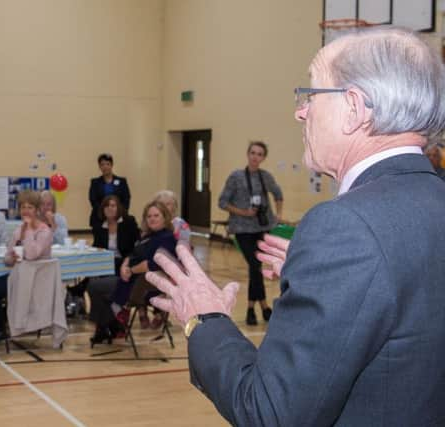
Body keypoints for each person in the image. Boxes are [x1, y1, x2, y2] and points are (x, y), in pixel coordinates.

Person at [147, 27, 445, 426]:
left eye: (312, 95)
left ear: (354, 108)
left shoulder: (346, 226)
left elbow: (271, 412)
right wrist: (333, 279)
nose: (300, 112)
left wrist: (206, 319)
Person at [0, 190, 53, 346]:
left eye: (30, 207)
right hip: (20, 276)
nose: (26, 210)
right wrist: (11, 257)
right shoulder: (18, 230)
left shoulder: (44, 231)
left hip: (37, 280)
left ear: (37, 210)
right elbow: (7, 259)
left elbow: (31, 255)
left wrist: (28, 231)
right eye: (23, 207)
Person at [218, 141, 283, 325]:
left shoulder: (266, 177)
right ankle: (259, 307)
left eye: (260, 154)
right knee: (255, 265)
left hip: (262, 228)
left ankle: (255, 309)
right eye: (253, 153)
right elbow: (222, 202)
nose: (255, 157)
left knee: (255, 268)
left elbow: (278, 194)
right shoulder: (236, 177)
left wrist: (278, 215)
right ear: (248, 154)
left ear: (263, 158)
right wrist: (243, 212)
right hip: (242, 229)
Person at [94, 201, 176, 341]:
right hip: (131, 278)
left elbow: (152, 265)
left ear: (165, 218)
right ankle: (110, 324)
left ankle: (111, 323)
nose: (152, 218)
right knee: (94, 285)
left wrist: (130, 270)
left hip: (144, 286)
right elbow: (133, 253)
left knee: (97, 287)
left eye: (156, 215)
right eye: (149, 216)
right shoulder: (148, 236)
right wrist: (125, 264)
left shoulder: (166, 238)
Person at [87, 195, 140, 345]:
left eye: (113, 205)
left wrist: (126, 263)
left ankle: (103, 326)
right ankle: (107, 325)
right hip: (106, 262)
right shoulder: (99, 226)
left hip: (124, 262)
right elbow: (98, 245)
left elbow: (135, 248)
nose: (110, 209)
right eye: (107, 206)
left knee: (97, 286)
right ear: (102, 209)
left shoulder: (128, 222)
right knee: (92, 282)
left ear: (119, 208)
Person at [88, 153, 131, 229]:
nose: (105, 167)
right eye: (102, 164)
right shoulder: (95, 182)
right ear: (99, 166)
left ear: (112, 165)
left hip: (119, 217)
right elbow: (93, 200)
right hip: (99, 218)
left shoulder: (122, 181)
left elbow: (126, 199)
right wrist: (104, 213)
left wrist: (118, 213)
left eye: (107, 164)